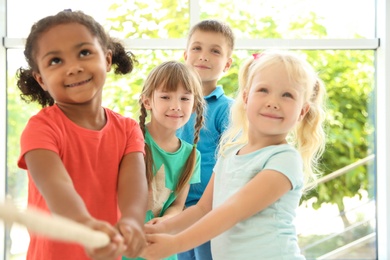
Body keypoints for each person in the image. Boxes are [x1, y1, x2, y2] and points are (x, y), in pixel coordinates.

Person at [141, 50, 327, 259]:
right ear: (246, 97)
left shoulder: (284, 159)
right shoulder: (229, 152)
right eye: (263, 90)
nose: (273, 102)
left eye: (287, 95)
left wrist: (175, 243)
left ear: (302, 111)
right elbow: (202, 209)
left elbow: (232, 211)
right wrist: (159, 229)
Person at [16, 10, 148, 260]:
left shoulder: (129, 129)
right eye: (55, 60)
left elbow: (134, 186)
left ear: (107, 59)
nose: (74, 68)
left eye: (84, 53)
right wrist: (83, 224)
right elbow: (56, 185)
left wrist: (131, 222)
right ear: (41, 79)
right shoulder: (41, 129)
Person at [123, 61, 205, 260]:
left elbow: (177, 205)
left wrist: (164, 222)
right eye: (165, 97)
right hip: (122, 246)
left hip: (160, 250)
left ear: (194, 105)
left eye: (185, 98)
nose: (176, 106)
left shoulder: (192, 155)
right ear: (147, 101)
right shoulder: (128, 138)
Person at [176, 19, 235, 260]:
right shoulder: (173, 107)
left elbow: (232, 160)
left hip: (209, 210)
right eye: (197, 48)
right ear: (185, 55)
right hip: (175, 209)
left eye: (215, 51)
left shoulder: (227, 109)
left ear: (227, 64)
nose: (204, 56)